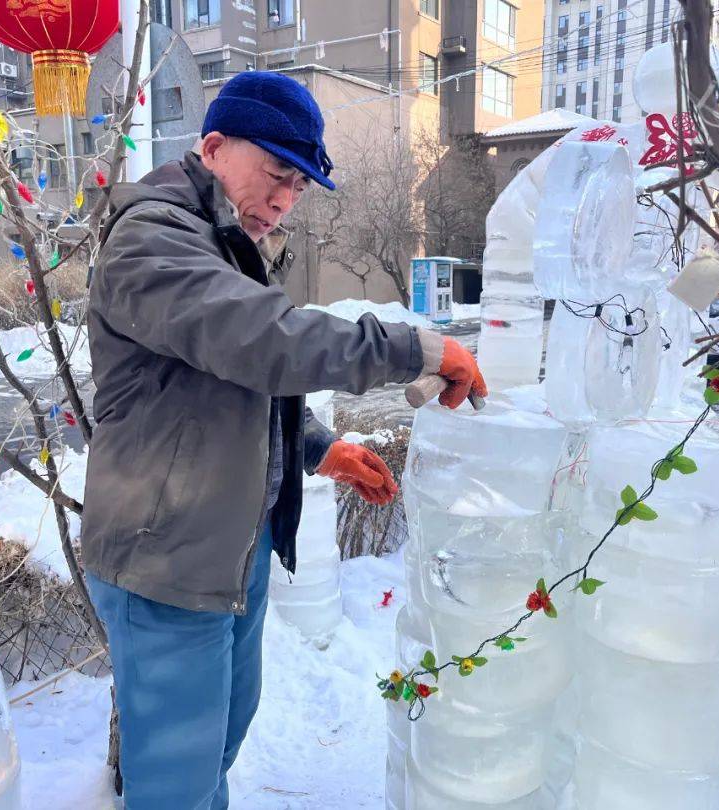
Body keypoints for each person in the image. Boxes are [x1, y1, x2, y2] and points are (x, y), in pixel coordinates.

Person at [79, 71, 486, 809]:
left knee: (221, 739)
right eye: (275, 174)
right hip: (167, 557)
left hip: (231, 547)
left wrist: (315, 447)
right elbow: (257, 338)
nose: (282, 200)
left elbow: (230, 387)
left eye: (297, 186)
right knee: (177, 782)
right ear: (211, 146)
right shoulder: (151, 238)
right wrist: (414, 350)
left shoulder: (223, 240)